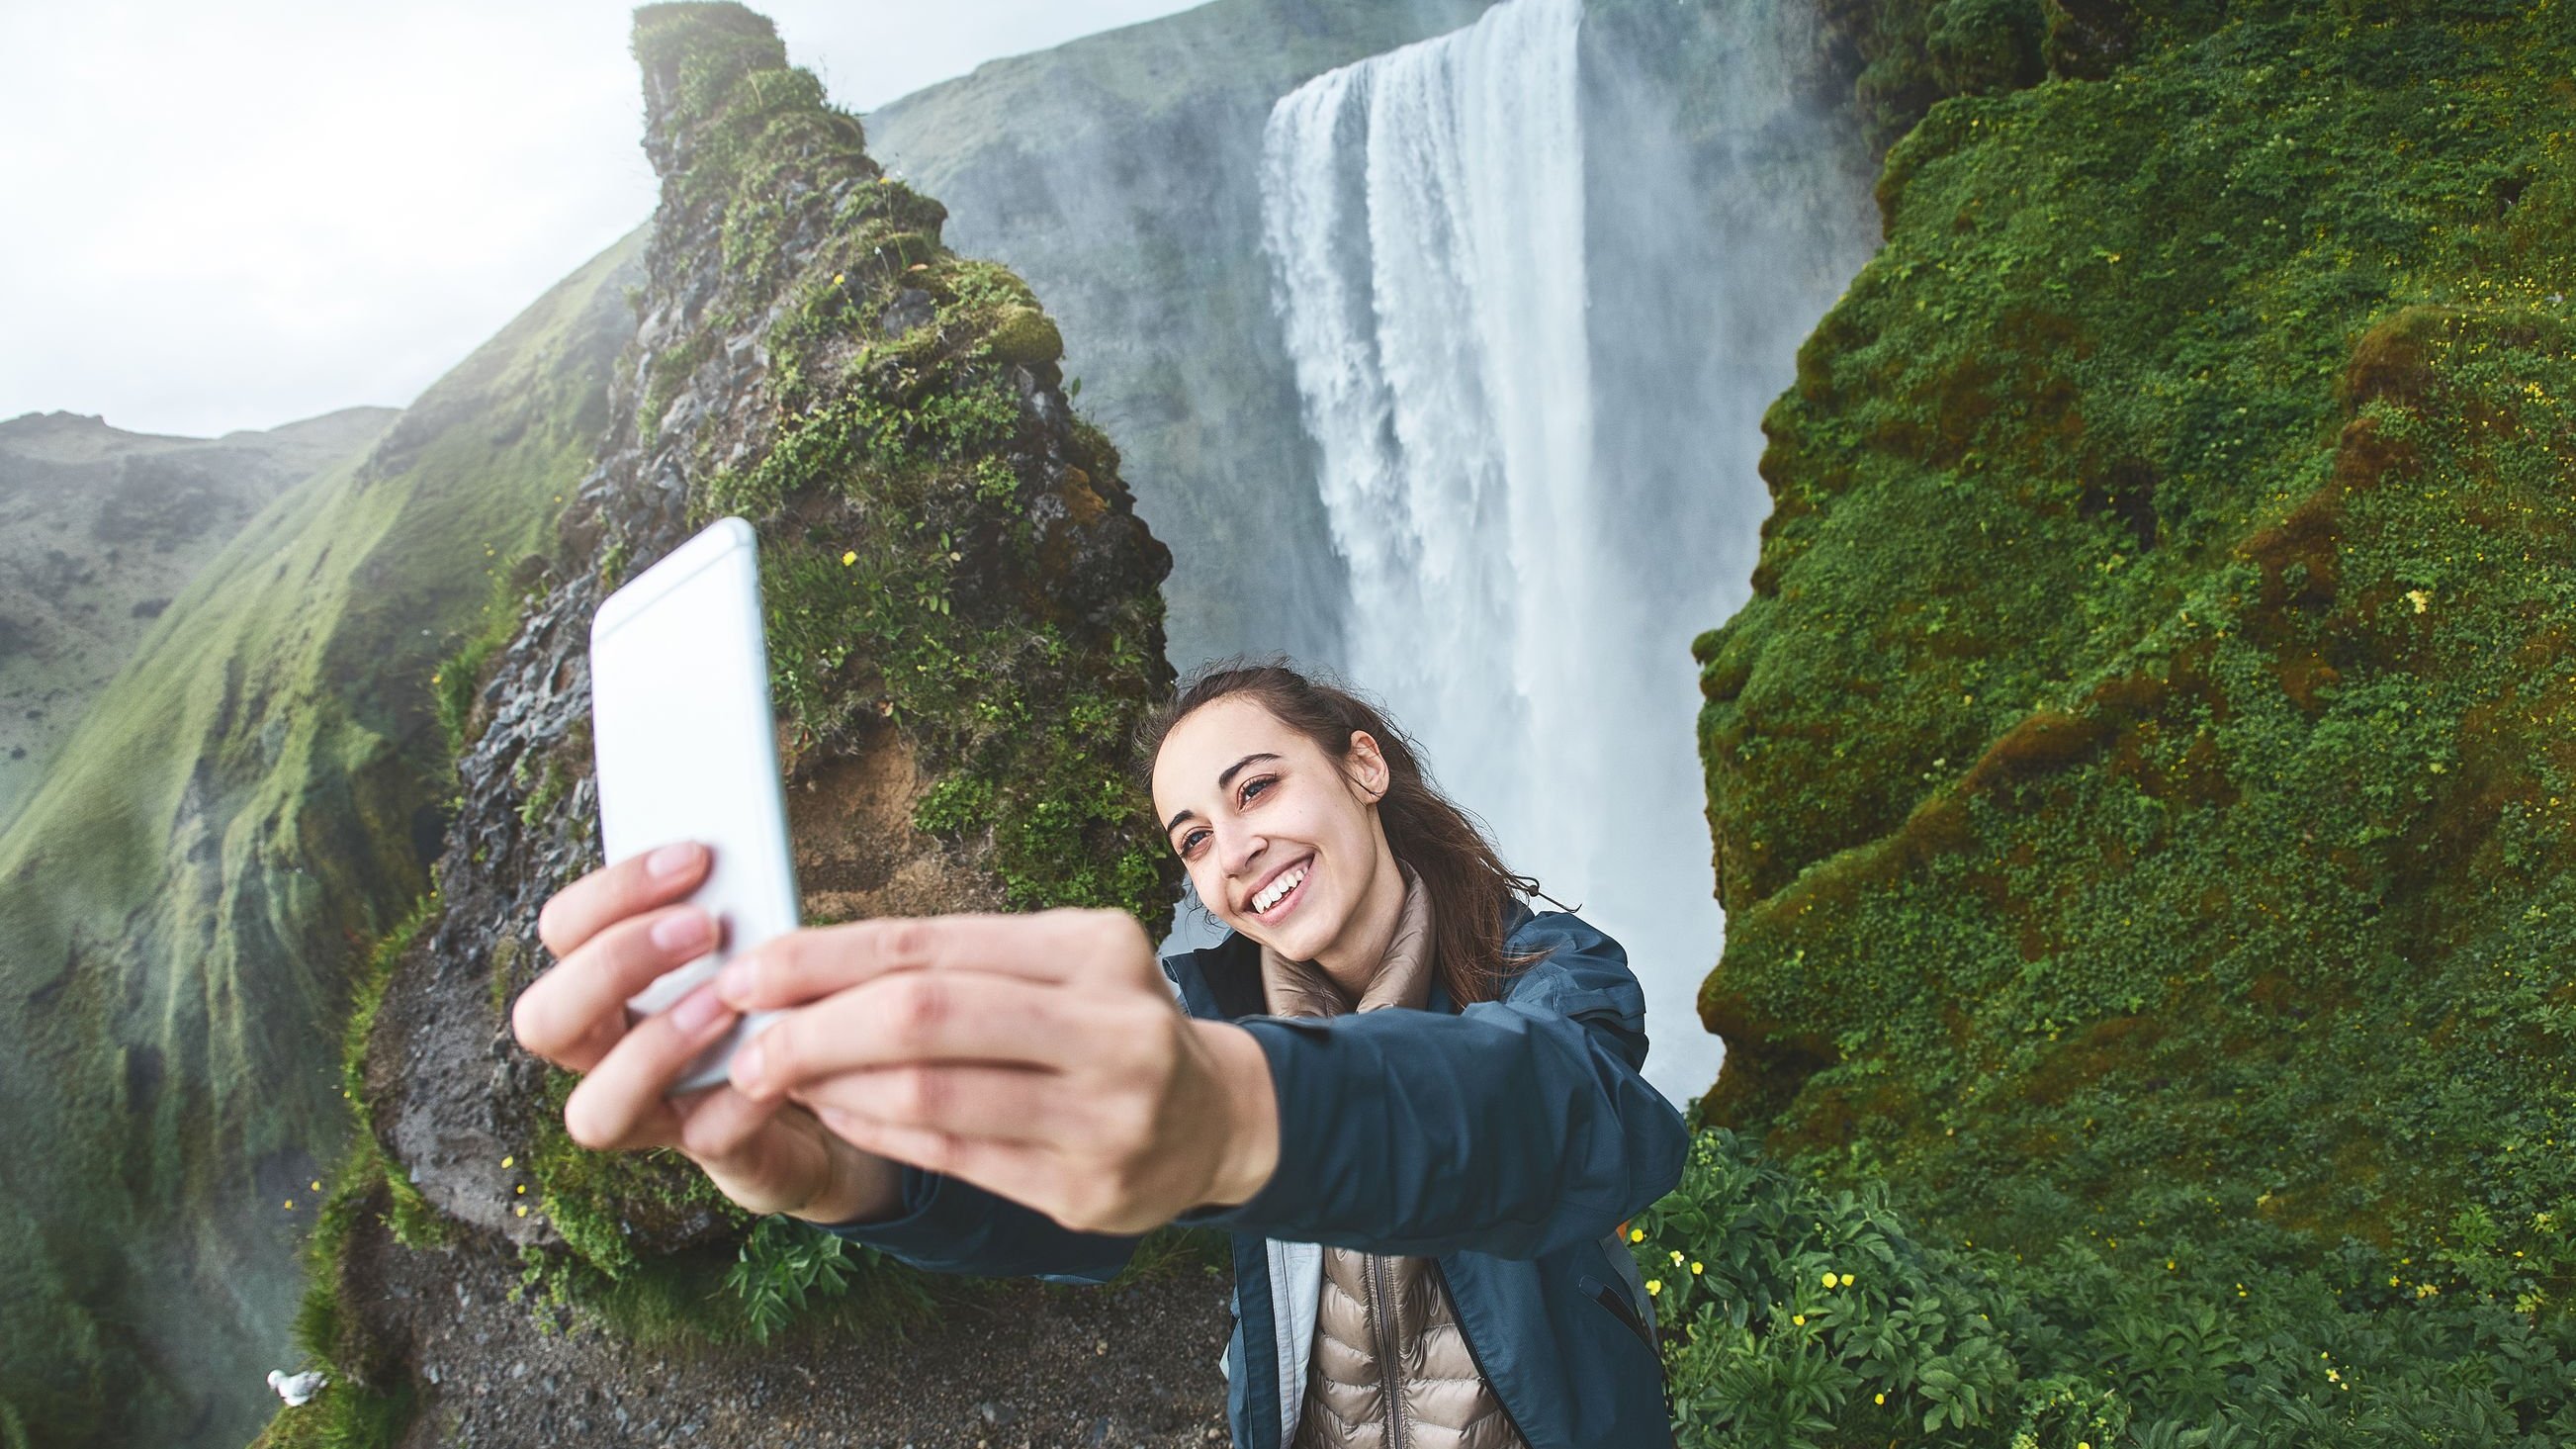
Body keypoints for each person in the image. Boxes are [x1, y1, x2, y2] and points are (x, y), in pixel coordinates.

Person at [512, 660, 1687, 1448]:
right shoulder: (1195, 1018)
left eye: (1257, 786)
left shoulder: (1552, 969)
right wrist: (859, 1173)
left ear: (1363, 768)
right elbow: (1079, 1196)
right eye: (1195, 836)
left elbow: (1564, 1125)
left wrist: (1237, 1112)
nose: (1235, 850)